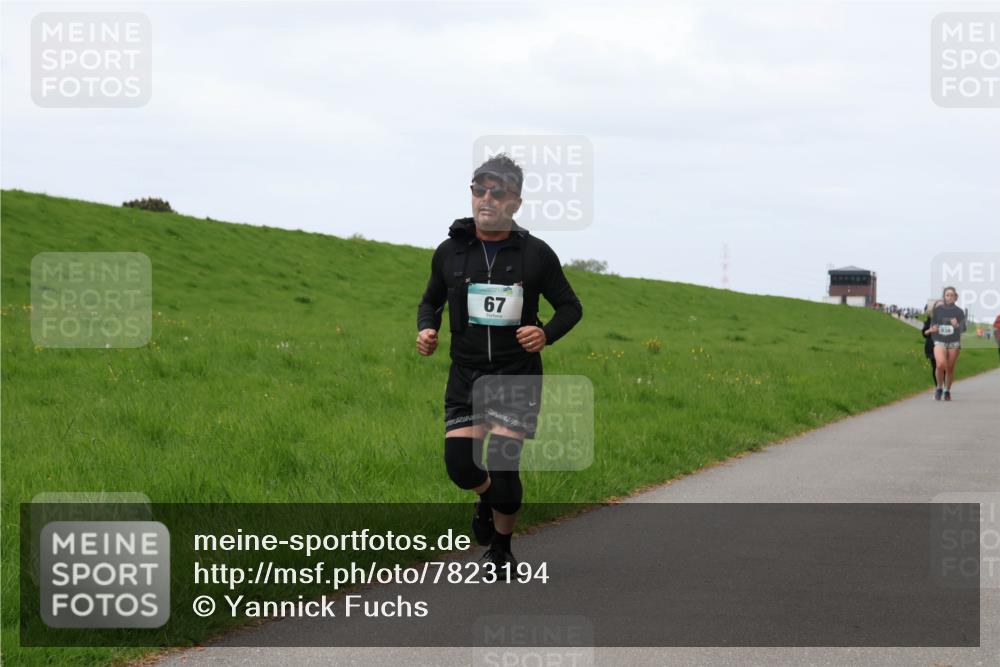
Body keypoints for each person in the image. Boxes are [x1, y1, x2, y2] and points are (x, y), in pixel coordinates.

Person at [416, 154, 583, 573]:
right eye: (479, 189)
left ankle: (502, 550)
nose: (486, 198)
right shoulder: (450, 252)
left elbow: (570, 307)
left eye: (498, 191)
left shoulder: (536, 254)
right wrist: (426, 329)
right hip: (466, 374)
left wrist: (545, 333)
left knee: (504, 466)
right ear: (471, 194)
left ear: (515, 202)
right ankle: (487, 501)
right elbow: (430, 300)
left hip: (516, 375)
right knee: (461, 466)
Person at [929, 287, 967, 401]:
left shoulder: (959, 312)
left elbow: (963, 329)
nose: (949, 297)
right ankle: (939, 387)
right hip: (939, 340)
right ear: (944, 297)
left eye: (952, 295)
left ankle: (947, 391)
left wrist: (956, 326)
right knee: (940, 364)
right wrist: (934, 328)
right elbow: (932, 325)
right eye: (947, 295)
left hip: (954, 342)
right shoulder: (938, 310)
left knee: (950, 368)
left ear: (955, 297)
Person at [921, 300, 943, 386]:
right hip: (932, 346)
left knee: (942, 367)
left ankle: (943, 385)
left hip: (943, 346)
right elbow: (924, 333)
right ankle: (938, 387)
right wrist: (930, 330)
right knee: (936, 367)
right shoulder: (930, 319)